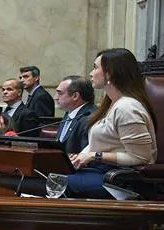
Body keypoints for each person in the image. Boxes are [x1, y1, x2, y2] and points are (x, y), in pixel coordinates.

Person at [68, 47, 159, 197]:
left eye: (95, 67)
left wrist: (94, 156)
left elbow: (141, 158)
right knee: (51, 175)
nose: (91, 73)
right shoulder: (111, 103)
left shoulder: (127, 107)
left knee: (57, 182)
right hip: (102, 171)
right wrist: (79, 157)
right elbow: (98, 143)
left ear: (110, 73)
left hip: (120, 181)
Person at [54, 75, 96, 156]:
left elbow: (86, 154)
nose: (55, 97)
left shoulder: (90, 117)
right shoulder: (69, 113)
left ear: (75, 96)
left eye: (60, 93)